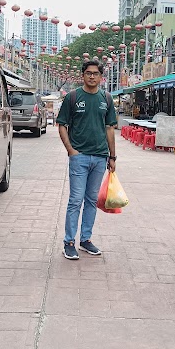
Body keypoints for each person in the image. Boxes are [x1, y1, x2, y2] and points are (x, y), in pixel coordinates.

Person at [57, 59, 118, 260]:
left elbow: (110, 129)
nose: (92, 76)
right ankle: (69, 242)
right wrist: (71, 150)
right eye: (88, 73)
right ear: (83, 75)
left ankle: (85, 239)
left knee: (91, 200)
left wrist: (112, 156)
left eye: (96, 73)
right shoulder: (73, 97)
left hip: (100, 158)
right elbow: (62, 125)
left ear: (101, 77)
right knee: (75, 200)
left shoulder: (106, 99)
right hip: (79, 157)